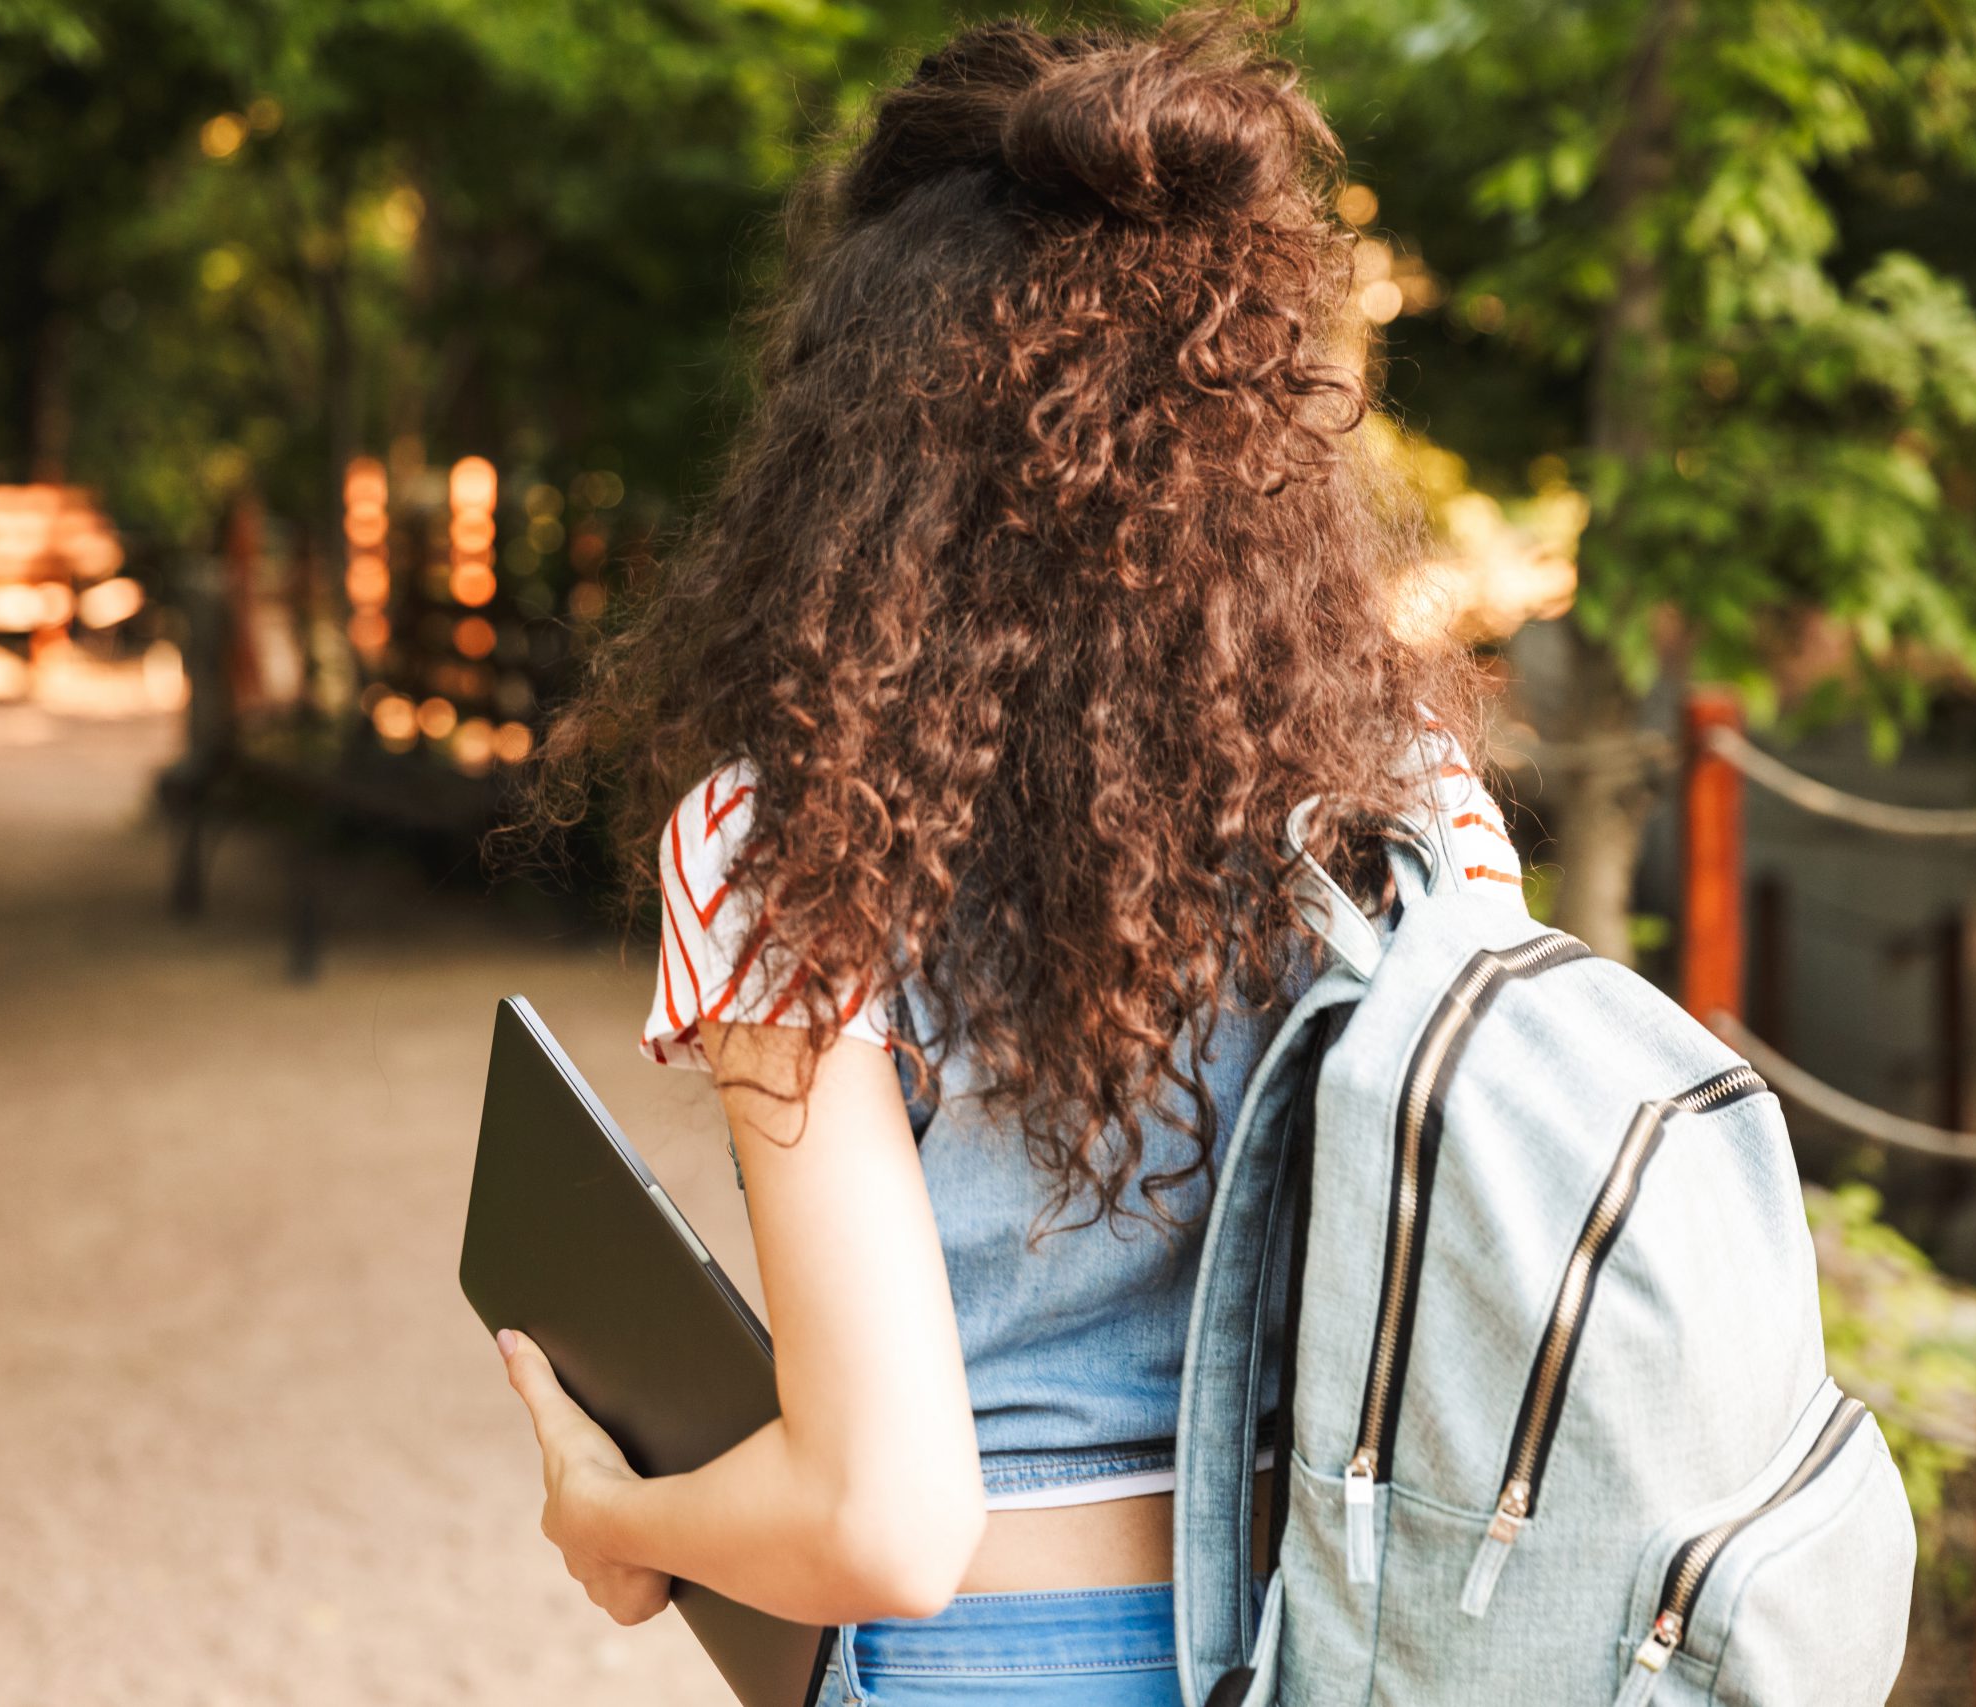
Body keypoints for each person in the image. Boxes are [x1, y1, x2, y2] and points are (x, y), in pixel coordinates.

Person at [495, 9, 1527, 1703]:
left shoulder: (793, 840)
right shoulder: (1414, 804)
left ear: (863, 436)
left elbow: (882, 1522)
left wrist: (630, 1512)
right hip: (1355, 1653)